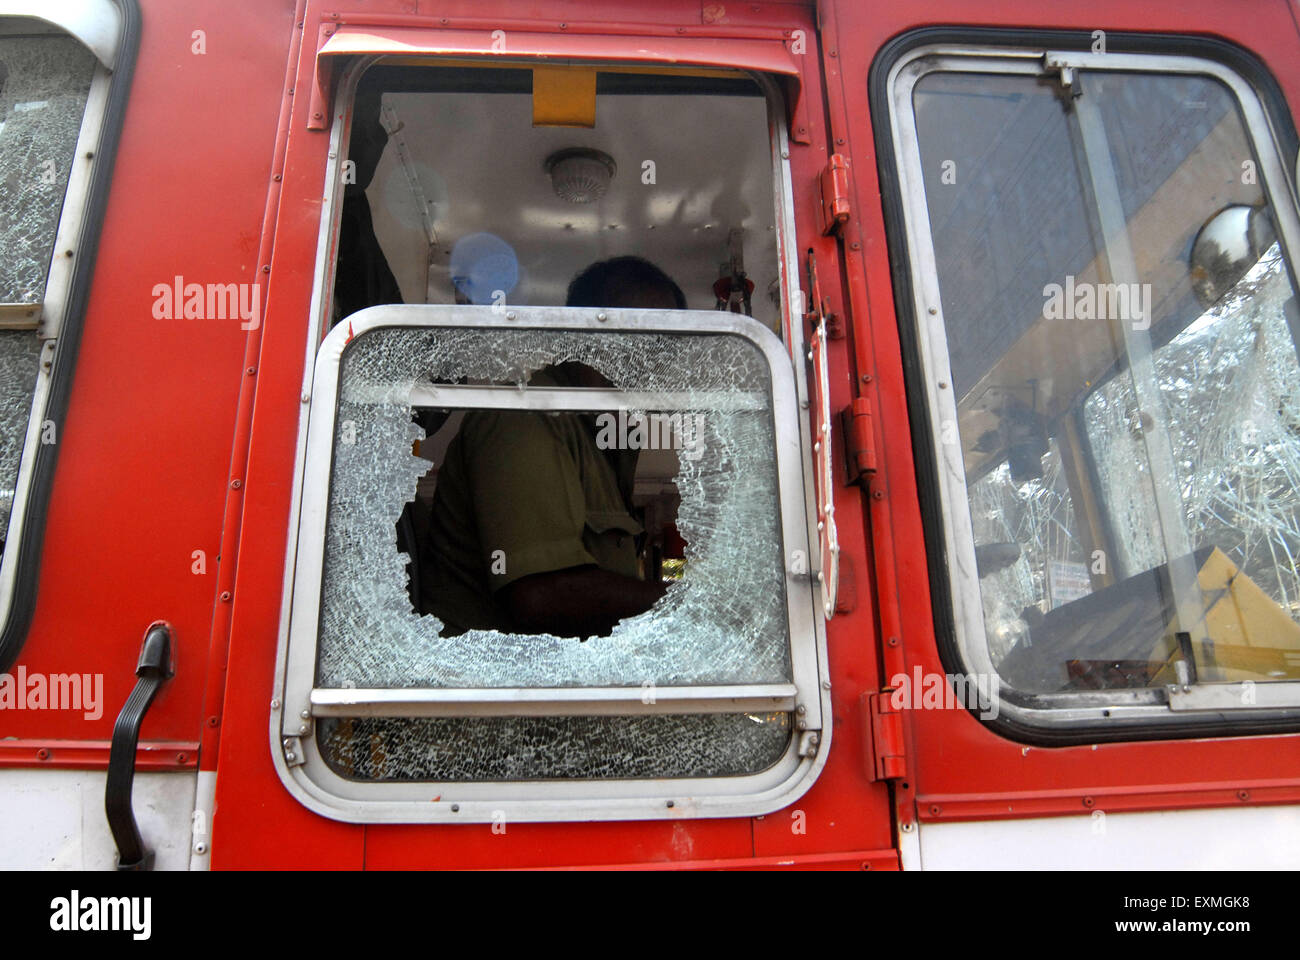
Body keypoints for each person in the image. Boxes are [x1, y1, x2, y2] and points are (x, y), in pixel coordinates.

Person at [419, 257, 686, 637]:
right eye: (640, 336)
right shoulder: (526, 417)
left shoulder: (603, 439)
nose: (653, 357)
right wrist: (691, 607)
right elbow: (541, 598)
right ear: (584, 333)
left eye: (666, 344)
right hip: (492, 686)